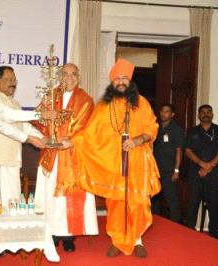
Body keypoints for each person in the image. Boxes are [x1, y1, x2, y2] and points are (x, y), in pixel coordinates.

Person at [69, 59, 161, 258]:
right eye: (117, 78)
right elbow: (90, 133)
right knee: (116, 203)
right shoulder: (103, 106)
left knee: (137, 202)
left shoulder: (142, 103)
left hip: (137, 162)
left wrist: (138, 140)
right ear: (112, 82)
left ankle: (137, 240)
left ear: (130, 82)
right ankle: (117, 241)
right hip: (112, 163)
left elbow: (152, 127)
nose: (121, 81)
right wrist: (72, 141)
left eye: (124, 78)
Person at [34, 63, 99, 252]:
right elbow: (37, 118)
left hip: (72, 156)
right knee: (50, 196)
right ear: (59, 77)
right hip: (51, 154)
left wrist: (72, 140)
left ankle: (69, 236)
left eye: (73, 74)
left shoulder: (85, 99)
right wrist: (45, 118)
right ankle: (52, 232)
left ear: (78, 77)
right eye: (65, 74)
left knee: (69, 198)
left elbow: (90, 129)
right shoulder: (50, 96)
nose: (69, 78)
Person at [0, 66, 52, 208]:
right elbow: (7, 115)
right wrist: (39, 114)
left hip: (13, 157)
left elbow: (24, 125)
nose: (12, 83)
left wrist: (43, 138)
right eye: (8, 79)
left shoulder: (15, 103)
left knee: (12, 199)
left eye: (14, 80)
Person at [185, 104, 218, 239]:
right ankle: (189, 231)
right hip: (195, 174)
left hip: (215, 174)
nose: (206, 114)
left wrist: (210, 165)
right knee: (192, 203)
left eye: (208, 112)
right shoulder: (192, 131)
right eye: (203, 112)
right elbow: (187, 151)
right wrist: (202, 164)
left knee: (214, 204)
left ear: (212, 114)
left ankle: (213, 233)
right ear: (199, 116)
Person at [152, 104, 184, 223]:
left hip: (169, 170)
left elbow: (179, 151)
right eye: (162, 111)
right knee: (154, 197)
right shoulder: (156, 127)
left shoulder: (177, 129)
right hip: (155, 169)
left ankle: (176, 225)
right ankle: (155, 222)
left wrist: (176, 170)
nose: (163, 113)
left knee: (171, 198)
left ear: (172, 114)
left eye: (166, 111)